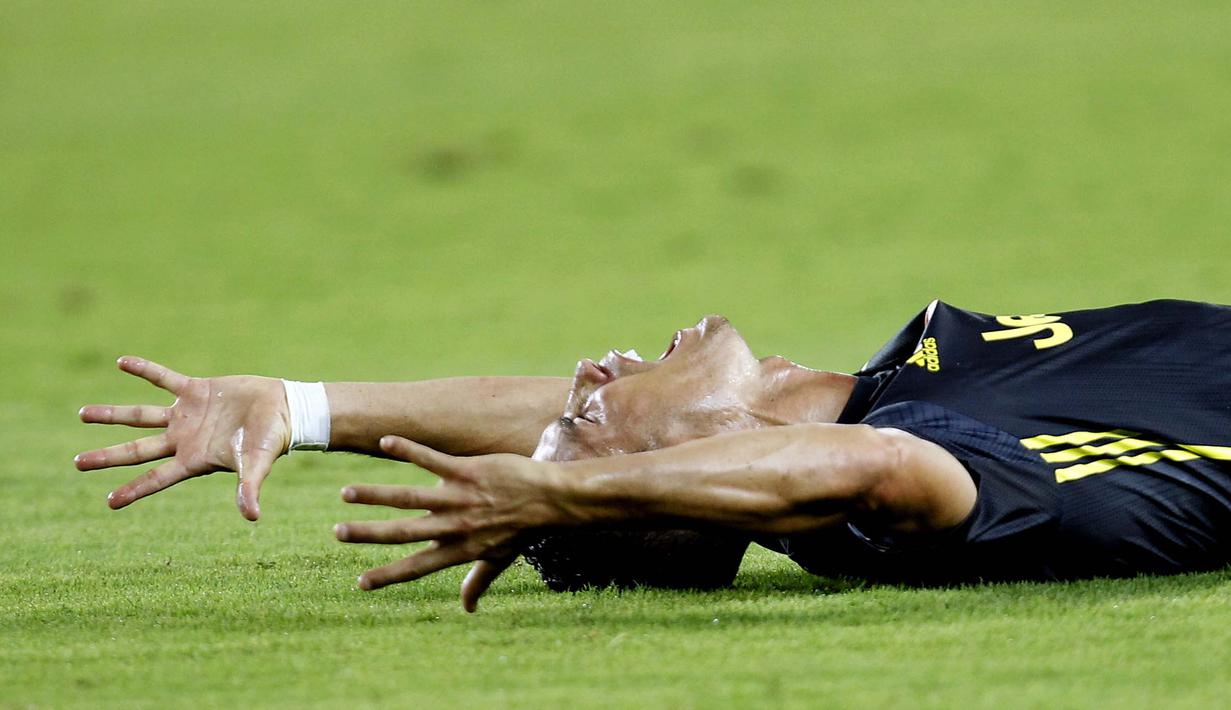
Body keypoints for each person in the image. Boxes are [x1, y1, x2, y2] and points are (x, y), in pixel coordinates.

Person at [75, 300, 1231, 612]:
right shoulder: (893, 489)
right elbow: (863, 467)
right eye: (590, 415)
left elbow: (613, 420)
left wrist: (301, 403)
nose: (589, 371)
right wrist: (566, 483)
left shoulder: (873, 389)